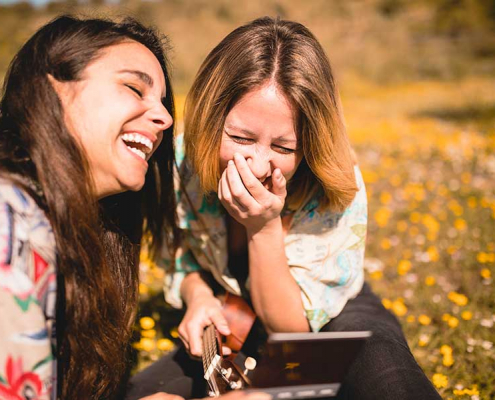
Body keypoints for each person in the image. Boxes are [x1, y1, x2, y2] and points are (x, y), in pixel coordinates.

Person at [127, 17, 442, 400]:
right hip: (234, 323)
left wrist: (263, 226)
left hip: (323, 322)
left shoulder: (333, 185)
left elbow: (293, 333)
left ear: (308, 143)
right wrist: (199, 297)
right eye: (241, 138)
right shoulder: (182, 163)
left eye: (283, 148)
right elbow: (181, 256)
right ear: (211, 120)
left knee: (383, 371)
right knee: (142, 392)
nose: (259, 166)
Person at [0, 14, 179, 400]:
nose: (164, 118)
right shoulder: (9, 219)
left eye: (162, 103)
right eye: (134, 87)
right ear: (53, 91)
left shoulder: (67, 230)